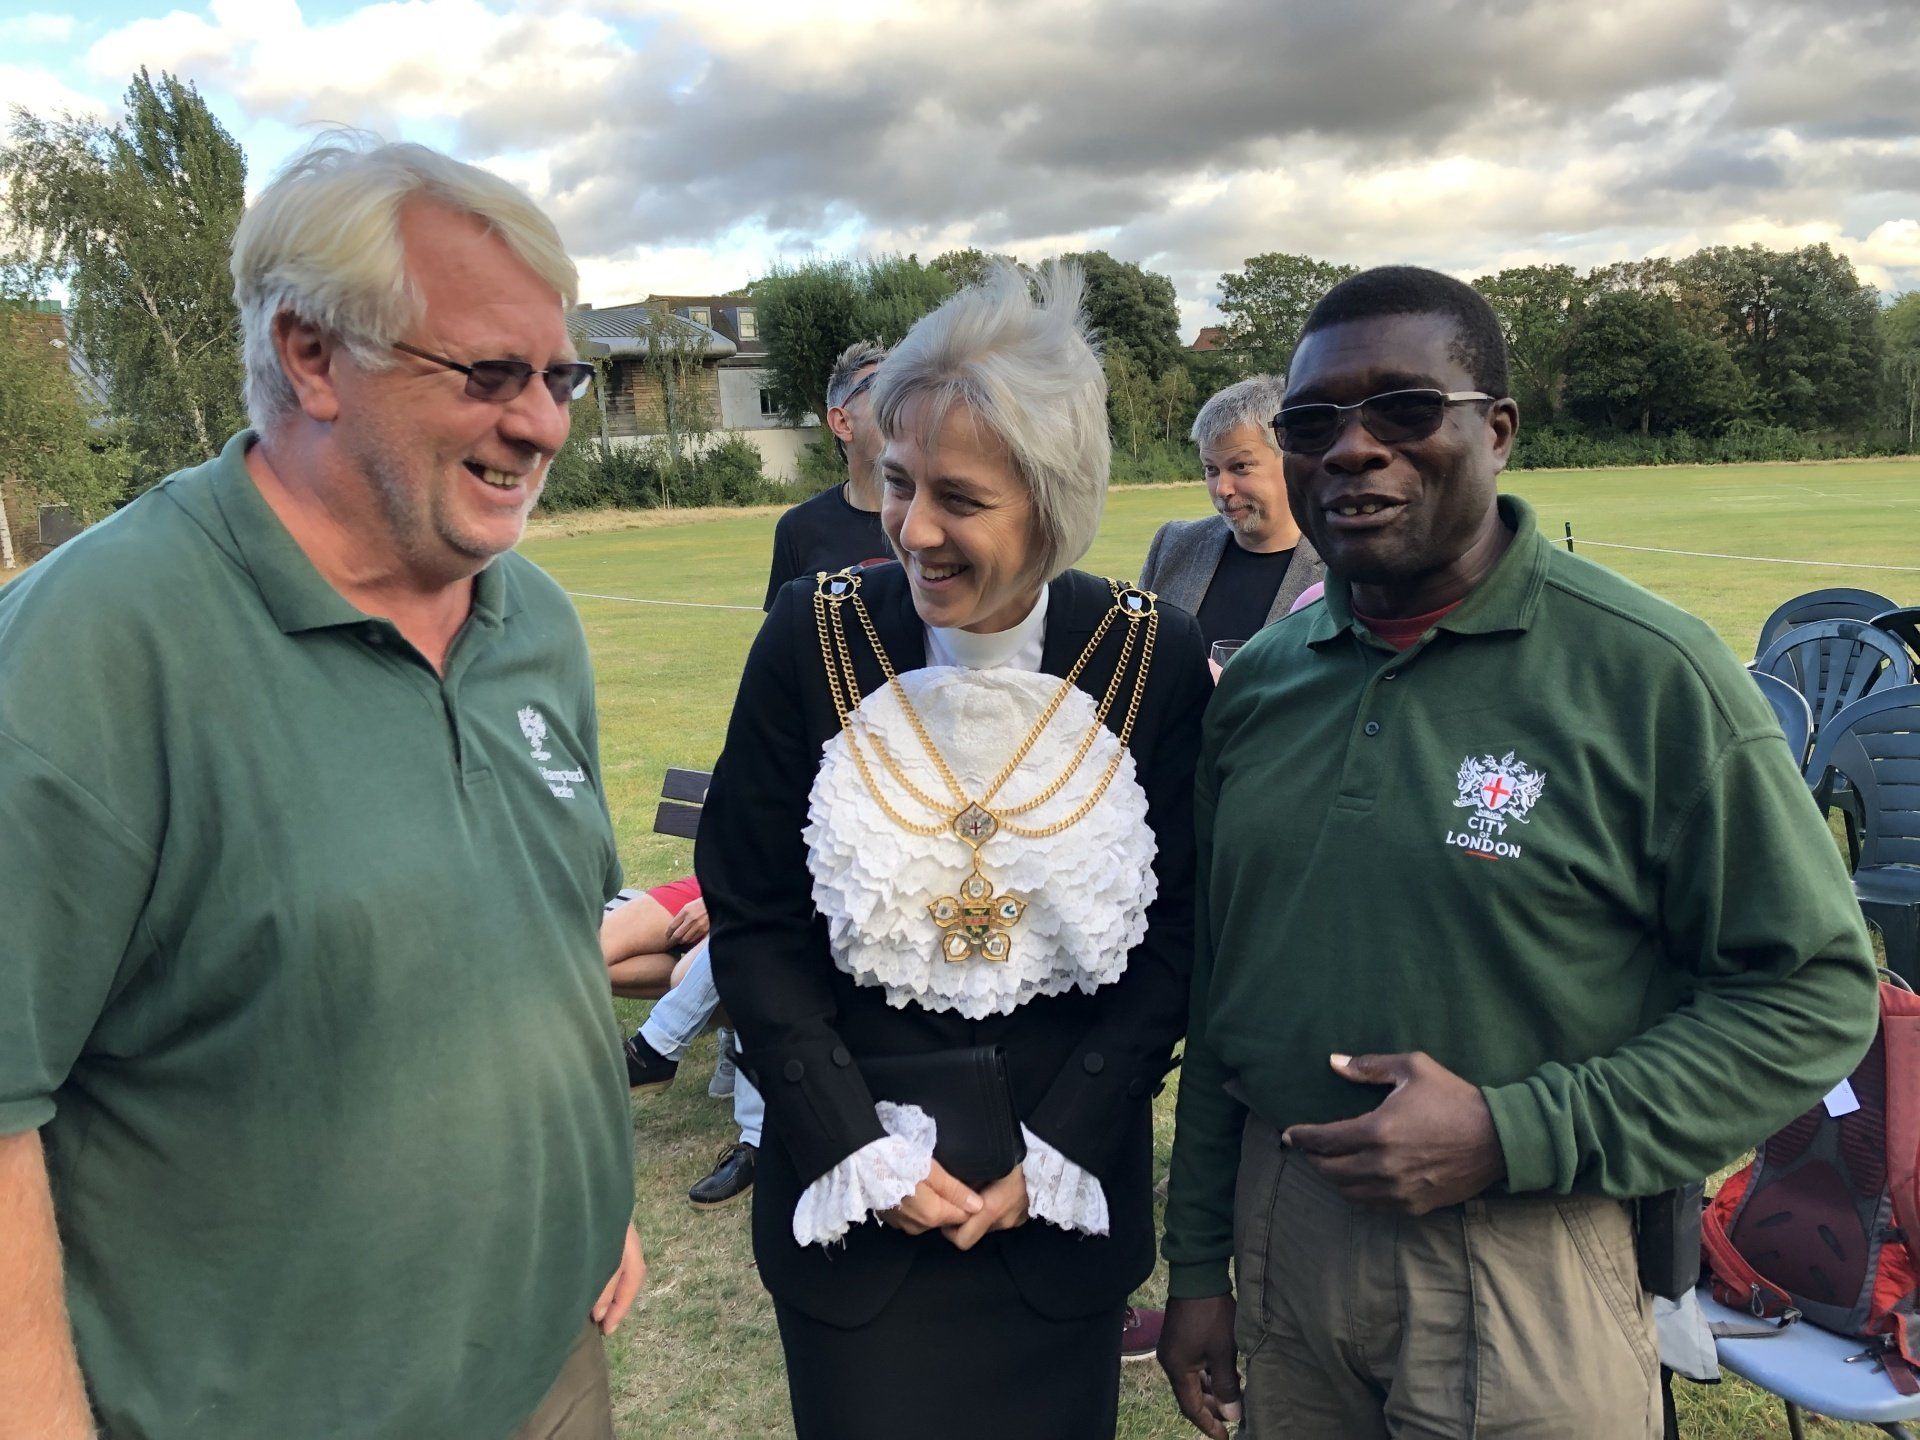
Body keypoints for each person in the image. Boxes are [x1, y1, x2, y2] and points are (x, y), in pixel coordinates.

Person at [1156, 266, 1880, 1440]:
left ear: (1495, 431)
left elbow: (1815, 993)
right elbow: (1220, 993)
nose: (1352, 448)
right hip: (1287, 1229)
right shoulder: (1260, 689)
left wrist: (1516, 1132)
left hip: (1531, 1244)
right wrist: (1198, 1262)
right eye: (1312, 423)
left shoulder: (1651, 674)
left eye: (1403, 408)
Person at [0, 136, 644, 1440]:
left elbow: (536, 948)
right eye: (490, 373)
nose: (544, 423)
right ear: (309, 355)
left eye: (560, 375)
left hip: (549, 1361)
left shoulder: (534, 623)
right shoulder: (89, 654)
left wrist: (590, 1194)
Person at [699, 262, 1210, 1440]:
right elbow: (754, 916)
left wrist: (1063, 1147)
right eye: (898, 481)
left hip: (1059, 1220)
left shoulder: (1152, 655)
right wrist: (853, 1144)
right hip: (855, 1224)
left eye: (960, 499)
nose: (915, 528)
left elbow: (1181, 931)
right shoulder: (811, 635)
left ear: (1052, 501)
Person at [1138, 374, 1323, 650]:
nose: (1222, 489)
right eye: (1211, 469)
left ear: (1291, 461)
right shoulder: (1172, 546)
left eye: (1240, 467)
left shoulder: (1341, 569)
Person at [762, 339, 894, 607]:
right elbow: (787, 629)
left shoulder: (937, 518)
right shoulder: (799, 528)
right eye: (883, 388)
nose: (899, 403)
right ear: (842, 422)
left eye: (905, 388)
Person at [602, 873, 708, 998]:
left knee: (687, 980)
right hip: (709, 893)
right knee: (588, 956)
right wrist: (712, 902)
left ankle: (685, 977)